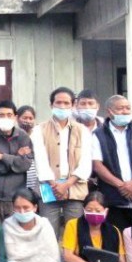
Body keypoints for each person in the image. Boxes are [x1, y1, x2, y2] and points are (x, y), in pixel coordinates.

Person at [32, 87, 92, 234]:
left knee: (75, 233)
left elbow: (85, 162)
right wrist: (55, 185)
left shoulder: (82, 130)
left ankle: (72, 258)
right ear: (51, 105)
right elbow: (40, 161)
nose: (62, 106)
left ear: (72, 106)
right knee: (48, 233)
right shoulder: (39, 130)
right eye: (58, 103)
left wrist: (66, 185)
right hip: (48, 189)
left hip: (75, 189)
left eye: (66, 103)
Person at [91, 95, 132, 231]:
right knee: (116, 237)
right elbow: (97, 165)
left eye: (128, 108)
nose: (125, 111)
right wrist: (122, 186)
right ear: (110, 112)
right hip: (113, 197)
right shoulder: (98, 134)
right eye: (120, 109)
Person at [0, 100, 33, 221]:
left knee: (15, 235)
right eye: (1, 115)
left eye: (9, 115)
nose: (5, 118)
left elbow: (25, 165)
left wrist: (3, 157)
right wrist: (15, 158)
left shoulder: (23, 136)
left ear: (15, 117)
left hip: (16, 197)